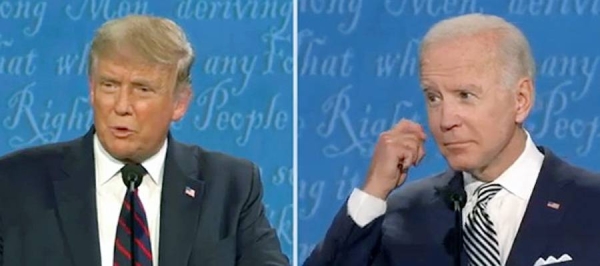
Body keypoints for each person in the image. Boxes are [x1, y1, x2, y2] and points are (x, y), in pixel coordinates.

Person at [304, 13, 600, 266]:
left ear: (520, 100)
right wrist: (373, 191)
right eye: (433, 98)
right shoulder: (404, 215)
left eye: (465, 96)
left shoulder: (591, 202)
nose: (445, 120)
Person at [0, 15, 288, 266]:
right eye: (109, 85)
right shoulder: (14, 183)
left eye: (142, 89)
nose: (122, 105)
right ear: (91, 90)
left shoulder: (230, 187)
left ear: (180, 103)